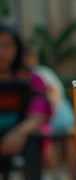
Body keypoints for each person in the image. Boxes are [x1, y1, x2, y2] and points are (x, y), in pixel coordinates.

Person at [0, 25, 52, 157]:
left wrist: (20, 132)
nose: (1, 52)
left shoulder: (31, 79)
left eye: (6, 45)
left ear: (17, 49)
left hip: (18, 137)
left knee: (33, 141)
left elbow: (39, 112)